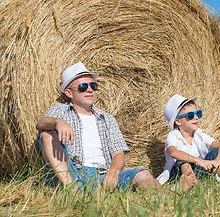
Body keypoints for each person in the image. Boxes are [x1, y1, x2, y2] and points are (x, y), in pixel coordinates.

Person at [36, 63, 194, 192]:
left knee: (143, 173)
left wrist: (114, 171)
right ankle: (74, 191)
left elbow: (118, 153)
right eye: (83, 87)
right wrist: (58, 122)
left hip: (102, 175)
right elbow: (41, 124)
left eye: (93, 85)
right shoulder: (60, 111)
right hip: (69, 173)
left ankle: (169, 193)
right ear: (69, 93)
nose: (90, 89)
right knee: (47, 135)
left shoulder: (107, 118)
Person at [157, 94, 220, 186]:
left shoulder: (199, 134)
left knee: (216, 152)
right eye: (190, 115)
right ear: (177, 121)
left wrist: (217, 161)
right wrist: (199, 161)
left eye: (197, 114)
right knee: (184, 161)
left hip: (200, 171)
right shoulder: (173, 135)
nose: (196, 117)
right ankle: (188, 182)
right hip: (178, 174)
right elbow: (174, 153)